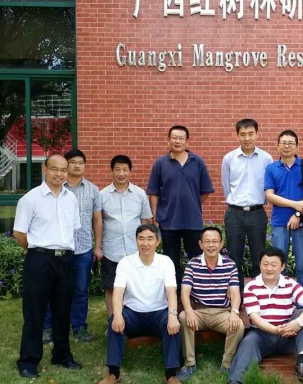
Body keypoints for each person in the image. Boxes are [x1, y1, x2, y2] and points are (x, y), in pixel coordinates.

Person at [13, 154, 83, 379]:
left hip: (65, 260)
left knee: (63, 310)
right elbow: (19, 233)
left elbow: (73, 229)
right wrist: (37, 251)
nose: (59, 174)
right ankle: (28, 360)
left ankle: (62, 354)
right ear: (45, 169)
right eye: (55, 169)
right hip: (39, 260)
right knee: (34, 312)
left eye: (63, 170)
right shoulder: (30, 199)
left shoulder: (71, 199)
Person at [98, 224, 182, 384]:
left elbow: (171, 291)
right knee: (114, 320)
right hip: (133, 314)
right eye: (141, 239)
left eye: (150, 239)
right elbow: (118, 291)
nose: (145, 243)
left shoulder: (165, 262)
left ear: (157, 241)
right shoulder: (126, 262)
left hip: (159, 314)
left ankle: (171, 374)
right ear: (136, 241)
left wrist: (172, 315)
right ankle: (113, 373)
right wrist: (117, 315)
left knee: (173, 323)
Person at [227, 248, 303, 384]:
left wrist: (297, 323)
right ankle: (236, 380)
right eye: (265, 264)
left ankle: (301, 364)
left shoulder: (290, 284)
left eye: (274, 265)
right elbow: (255, 318)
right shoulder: (251, 287)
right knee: (248, 341)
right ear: (260, 265)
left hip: (289, 335)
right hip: (262, 335)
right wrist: (276, 330)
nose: (269, 268)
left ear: (282, 267)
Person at [41, 149, 101, 344]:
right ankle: (48, 328)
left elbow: (97, 220)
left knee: (81, 290)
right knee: (52, 289)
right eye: (73, 162)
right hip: (58, 248)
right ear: (66, 166)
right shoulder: (57, 187)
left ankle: (79, 327)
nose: (77, 166)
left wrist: (97, 246)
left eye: (80, 162)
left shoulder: (93, 190)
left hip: (83, 249)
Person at [147, 125, 215, 290]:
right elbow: (153, 193)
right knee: (171, 262)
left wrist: (192, 203)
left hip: (193, 221)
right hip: (168, 221)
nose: (177, 141)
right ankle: (175, 296)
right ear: (169, 140)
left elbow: (205, 191)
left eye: (181, 138)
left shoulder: (197, 162)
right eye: (174, 138)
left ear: (187, 141)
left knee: (196, 260)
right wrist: (155, 218)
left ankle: (197, 293)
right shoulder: (160, 163)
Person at [177, 226, 244, 382]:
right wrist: (189, 311)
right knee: (183, 317)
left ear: (221, 244)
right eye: (207, 242)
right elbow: (184, 292)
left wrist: (234, 312)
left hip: (222, 312)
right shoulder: (192, 264)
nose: (211, 245)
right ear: (201, 244)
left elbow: (235, 293)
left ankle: (226, 365)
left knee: (239, 325)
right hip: (198, 313)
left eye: (215, 241)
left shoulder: (230, 265)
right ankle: (189, 364)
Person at [96, 155, 153, 316]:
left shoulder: (139, 194)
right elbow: (98, 222)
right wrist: (98, 247)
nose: (121, 173)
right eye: (117, 169)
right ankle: (112, 320)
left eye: (125, 170)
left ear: (130, 172)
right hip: (111, 250)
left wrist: (147, 245)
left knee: (135, 288)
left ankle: (132, 319)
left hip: (135, 250)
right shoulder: (102, 195)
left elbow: (146, 221)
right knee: (111, 288)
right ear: (112, 171)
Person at [264, 130, 303, 293]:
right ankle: (282, 299)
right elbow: (270, 196)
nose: (287, 146)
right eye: (283, 143)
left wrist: (298, 214)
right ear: (278, 146)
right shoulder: (271, 168)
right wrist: (295, 205)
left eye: (290, 143)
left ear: (297, 146)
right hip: (279, 223)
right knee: (278, 265)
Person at [221, 119, 273, 285]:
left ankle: (257, 291)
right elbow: (226, 186)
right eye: (243, 134)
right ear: (237, 136)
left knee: (259, 256)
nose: (247, 138)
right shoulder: (229, 158)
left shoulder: (266, 158)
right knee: (234, 256)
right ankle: (237, 293)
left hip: (257, 212)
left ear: (257, 134)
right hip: (234, 213)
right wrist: (235, 202)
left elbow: (270, 185)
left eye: (251, 134)